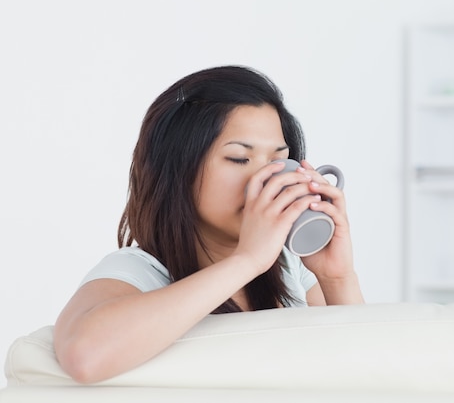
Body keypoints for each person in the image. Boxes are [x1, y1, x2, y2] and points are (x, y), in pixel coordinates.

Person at [53, 65, 364, 384]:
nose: (265, 178)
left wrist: (337, 278)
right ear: (180, 170)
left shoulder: (290, 270)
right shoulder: (140, 271)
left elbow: (364, 375)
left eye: (277, 161)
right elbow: (85, 357)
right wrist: (248, 260)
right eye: (239, 159)